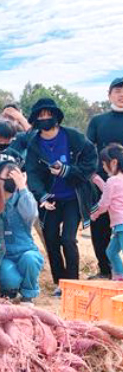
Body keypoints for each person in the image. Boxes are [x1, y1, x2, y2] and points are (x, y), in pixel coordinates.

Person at [25, 98, 97, 296]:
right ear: (35, 119)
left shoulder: (73, 136)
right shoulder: (34, 144)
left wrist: (68, 171)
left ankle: (72, 283)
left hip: (73, 196)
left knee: (68, 239)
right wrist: (41, 196)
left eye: (49, 114)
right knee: (51, 240)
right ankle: (60, 282)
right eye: (41, 116)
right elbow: (32, 173)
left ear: (56, 117)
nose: (45, 118)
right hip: (50, 200)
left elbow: (91, 159)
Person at [87, 77, 123, 280]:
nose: (121, 94)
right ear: (109, 94)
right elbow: (87, 149)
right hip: (102, 184)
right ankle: (105, 269)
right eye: (117, 90)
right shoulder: (98, 121)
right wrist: (91, 174)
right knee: (99, 225)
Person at [0, 161, 44, 305]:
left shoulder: (23, 197)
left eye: (15, 176)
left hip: (25, 250)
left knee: (30, 259)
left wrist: (22, 187)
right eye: (7, 177)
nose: (11, 180)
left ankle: (28, 293)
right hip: (4, 255)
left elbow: (30, 214)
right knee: (10, 280)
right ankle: (10, 289)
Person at [91, 144, 123, 281]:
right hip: (119, 226)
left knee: (112, 252)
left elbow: (104, 203)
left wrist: (94, 214)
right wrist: (98, 180)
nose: (103, 167)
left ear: (114, 163)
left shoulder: (112, 180)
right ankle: (120, 276)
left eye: (104, 164)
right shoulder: (117, 181)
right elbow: (110, 194)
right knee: (111, 252)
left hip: (121, 224)